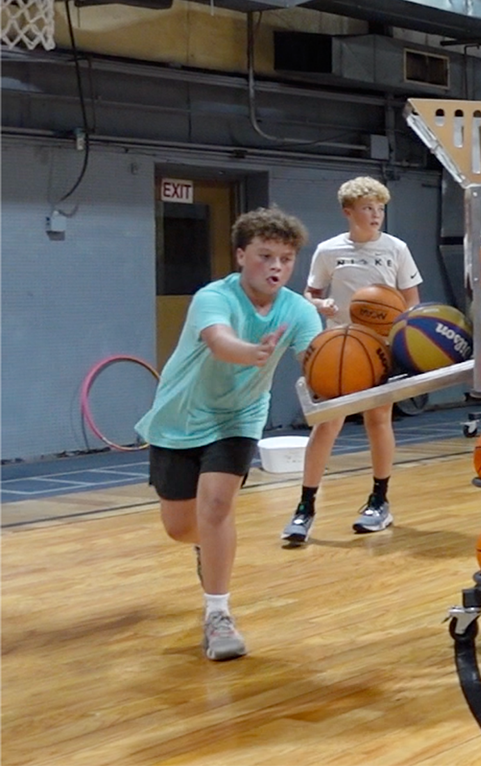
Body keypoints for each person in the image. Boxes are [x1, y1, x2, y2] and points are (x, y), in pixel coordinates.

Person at [137, 207, 321, 661]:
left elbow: (320, 359)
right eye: (265, 256)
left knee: (218, 506)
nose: (276, 266)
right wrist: (253, 352)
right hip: (179, 418)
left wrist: (358, 366)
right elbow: (220, 342)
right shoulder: (213, 297)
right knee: (181, 527)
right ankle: (207, 545)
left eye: (285, 258)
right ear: (241, 255)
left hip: (238, 418)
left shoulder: (298, 310)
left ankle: (217, 616)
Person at [282, 176, 422, 544]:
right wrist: (320, 304)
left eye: (380, 209)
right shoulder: (329, 251)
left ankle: (380, 501)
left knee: (379, 419)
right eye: (368, 209)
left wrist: (404, 337)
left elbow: (412, 302)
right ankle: (304, 508)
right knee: (327, 426)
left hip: (378, 349)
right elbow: (309, 293)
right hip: (340, 349)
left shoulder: (396, 248)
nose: (376, 215)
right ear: (349, 212)